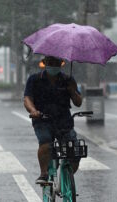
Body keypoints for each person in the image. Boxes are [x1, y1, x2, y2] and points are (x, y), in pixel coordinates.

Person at [23, 56, 83, 184]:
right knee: (45, 143)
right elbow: (27, 98)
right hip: (42, 119)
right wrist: (33, 110)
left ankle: (66, 179)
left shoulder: (68, 80)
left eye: (56, 63)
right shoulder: (34, 79)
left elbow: (78, 102)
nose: (53, 66)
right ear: (44, 63)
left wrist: (73, 91)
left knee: (75, 152)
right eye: (50, 62)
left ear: (62, 64)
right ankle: (44, 173)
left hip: (64, 121)